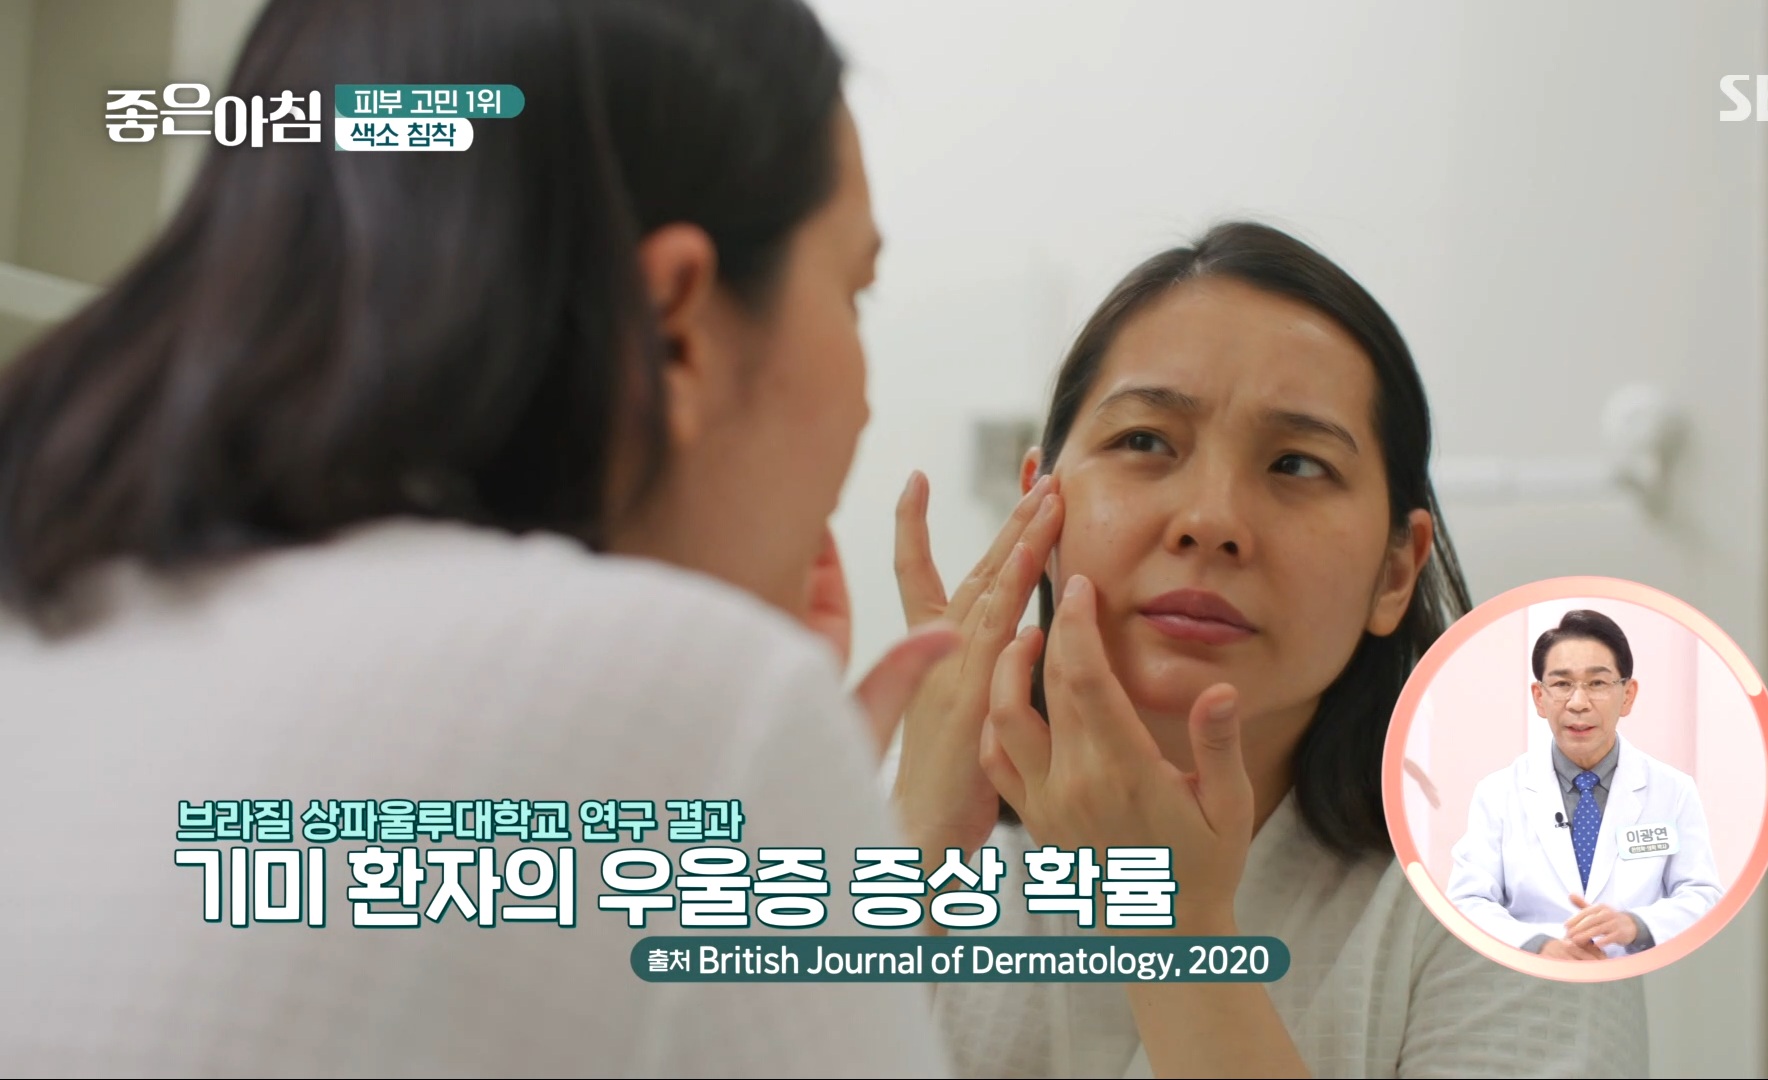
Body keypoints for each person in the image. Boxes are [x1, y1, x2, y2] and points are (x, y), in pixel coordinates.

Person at [0, 1, 957, 1075]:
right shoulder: (702, 700)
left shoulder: (51, 613)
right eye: (855, 291)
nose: (865, 400)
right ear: (674, 327)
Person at [888, 222, 1651, 1077]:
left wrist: (1173, 928)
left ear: (1395, 572)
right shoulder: (920, 827)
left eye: (1296, 464)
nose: (1210, 520)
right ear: (1037, 504)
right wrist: (914, 846)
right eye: (1144, 441)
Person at [1447, 610, 1724, 961]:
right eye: (1562, 684)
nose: (1578, 703)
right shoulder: (1497, 793)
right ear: (1539, 697)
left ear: (1627, 695)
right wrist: (1538, 944)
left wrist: (1635, 925)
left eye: (1597, 683)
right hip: (1531, 977)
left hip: (1634, 975)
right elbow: (1468, 901)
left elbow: (1702, 896)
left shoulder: (1674, 791)